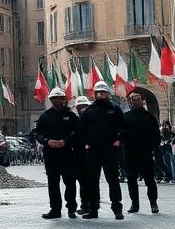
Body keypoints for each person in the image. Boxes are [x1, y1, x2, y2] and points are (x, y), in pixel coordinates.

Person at [78, 81, 125, 219]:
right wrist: (86, 143)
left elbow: (123, 126)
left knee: (113, 180)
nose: (101, 95)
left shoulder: (115, 109)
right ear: (95, 94)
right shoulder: (89, 110)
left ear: (107, 94)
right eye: (99, 93)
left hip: (110, 149)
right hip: (93, 150)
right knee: (92, 180)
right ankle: (93, 210)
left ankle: (117, 208)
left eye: (104, 92)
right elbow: (81, 129)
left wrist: (118, 140)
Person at [33, 87, 79, 219]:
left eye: (59, 98)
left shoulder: (71, 116)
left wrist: (66, 141)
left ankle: (71, 208)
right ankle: (55, 209)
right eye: (54, 99)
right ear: (51, 100)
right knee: (53, 182)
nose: (57, 101)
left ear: (64, 99)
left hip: (67, 153)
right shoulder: (45, 116)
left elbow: (77, 133)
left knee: (70, 182)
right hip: (50, 154)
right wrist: (47, 141)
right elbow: (37, 133)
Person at [121, 92, 160, 213]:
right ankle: (135, 204)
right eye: (133, 99)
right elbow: (120, 133)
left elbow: (156, 135)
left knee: (149, 178)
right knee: (131, 179)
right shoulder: (125, 117)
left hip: (145, 152)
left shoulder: (149, 117)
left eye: (138, 98)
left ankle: (153, 203)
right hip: (130, 152)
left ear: (142, 100)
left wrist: (152, 148)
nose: (136, 101)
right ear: (129, 101)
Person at [72, 95, 91, 201]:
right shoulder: (75, 120)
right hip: (79, 154)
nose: (82, 109)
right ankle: (84, 203)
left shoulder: (93, 119)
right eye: (79, 107)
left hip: (91, 153)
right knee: (82, 179)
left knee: (91, 180)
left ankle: (92, 204)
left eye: (84, 107)